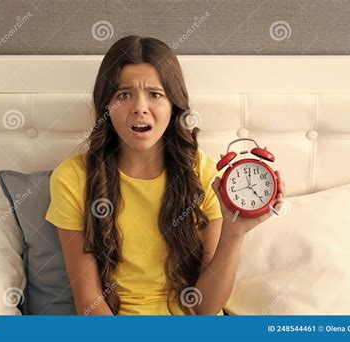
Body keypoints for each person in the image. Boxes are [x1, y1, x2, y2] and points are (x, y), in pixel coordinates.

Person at [46, 35, 286, 315]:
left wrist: (234, 235)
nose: (139, 107)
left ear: (174, 105)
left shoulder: (204, 172)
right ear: (106, 106)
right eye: (123, 94)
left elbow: (205, 308)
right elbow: (89, 302)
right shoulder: (72, 178)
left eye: (155, 94)